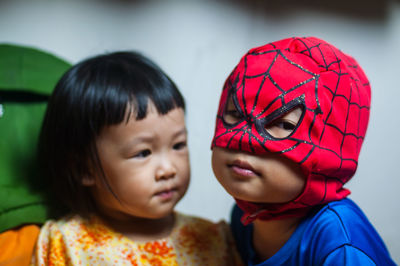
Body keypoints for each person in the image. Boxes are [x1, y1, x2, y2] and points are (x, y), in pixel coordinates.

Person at [33, 51, 243, 265]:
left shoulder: (213, 239)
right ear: (84, 169)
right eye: (143, 153)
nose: (168, 169)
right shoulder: (67, 243)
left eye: (178, 145)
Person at [211, 37, 396, 265]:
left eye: (284, 125)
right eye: (236, 114)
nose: (245, 140)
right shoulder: (243, 217)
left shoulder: (340, 243)